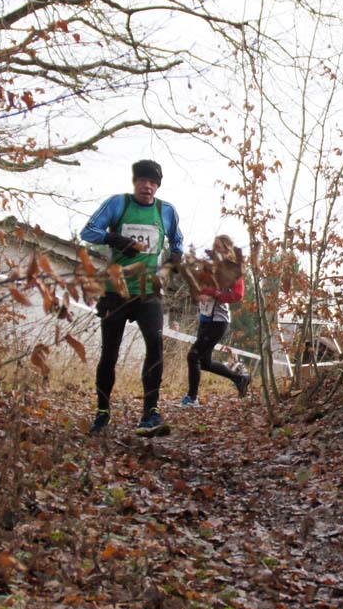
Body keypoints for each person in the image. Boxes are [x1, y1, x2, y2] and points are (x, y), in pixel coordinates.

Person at [80, 159, 183, 437]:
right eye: (142, 181)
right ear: (134, 182)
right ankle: (102, 412)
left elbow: (177, 240)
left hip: (148, 292)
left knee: (155, 347)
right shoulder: (118, 204)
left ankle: (150, 412)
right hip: (116, 291)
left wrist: (176, 256)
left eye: (152, 182)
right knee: (110, 353)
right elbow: (87, 232)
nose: (147, 186)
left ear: (157, 186)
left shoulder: (166, 211)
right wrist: (114, 239)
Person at [180, 234, 250, 405]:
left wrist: (216, 294)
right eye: (215, 247)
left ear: (228, 251)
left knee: (193, 356)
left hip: (219, 321)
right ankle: (240, 379)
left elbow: (238, 295)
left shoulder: (233, 271)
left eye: (220, 248)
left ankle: (192, 398)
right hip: (205, 319)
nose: (216, 251)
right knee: (204, 362)